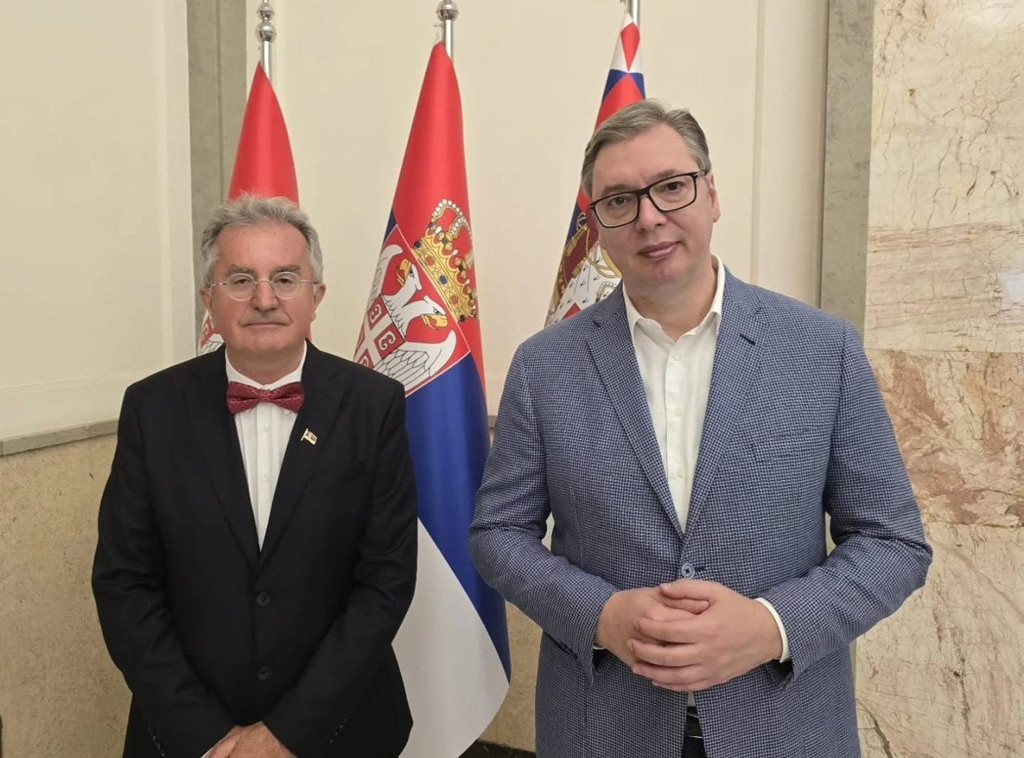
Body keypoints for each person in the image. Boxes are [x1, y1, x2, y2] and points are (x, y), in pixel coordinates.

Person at [469, 100, 932, 758]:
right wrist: (601, 615)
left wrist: (770, 627)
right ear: (597, 224)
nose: (649, 216)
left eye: (671, 186)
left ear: (711, 195)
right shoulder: (546, 366)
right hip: (602, 730)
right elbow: (498, 535)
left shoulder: (821, 350)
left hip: (784, 729)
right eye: (620, 200)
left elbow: (893, 542)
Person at [93, 195, 418, 758]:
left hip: (340, 729)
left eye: (285, 279)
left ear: (316, 296)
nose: (265, 299)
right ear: (209, 301)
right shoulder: (152, 408)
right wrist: (204, 734)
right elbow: (125, 583)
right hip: (186, 737)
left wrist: (289, 732)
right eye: (241, 280)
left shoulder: (374, 405)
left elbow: (385, 582)